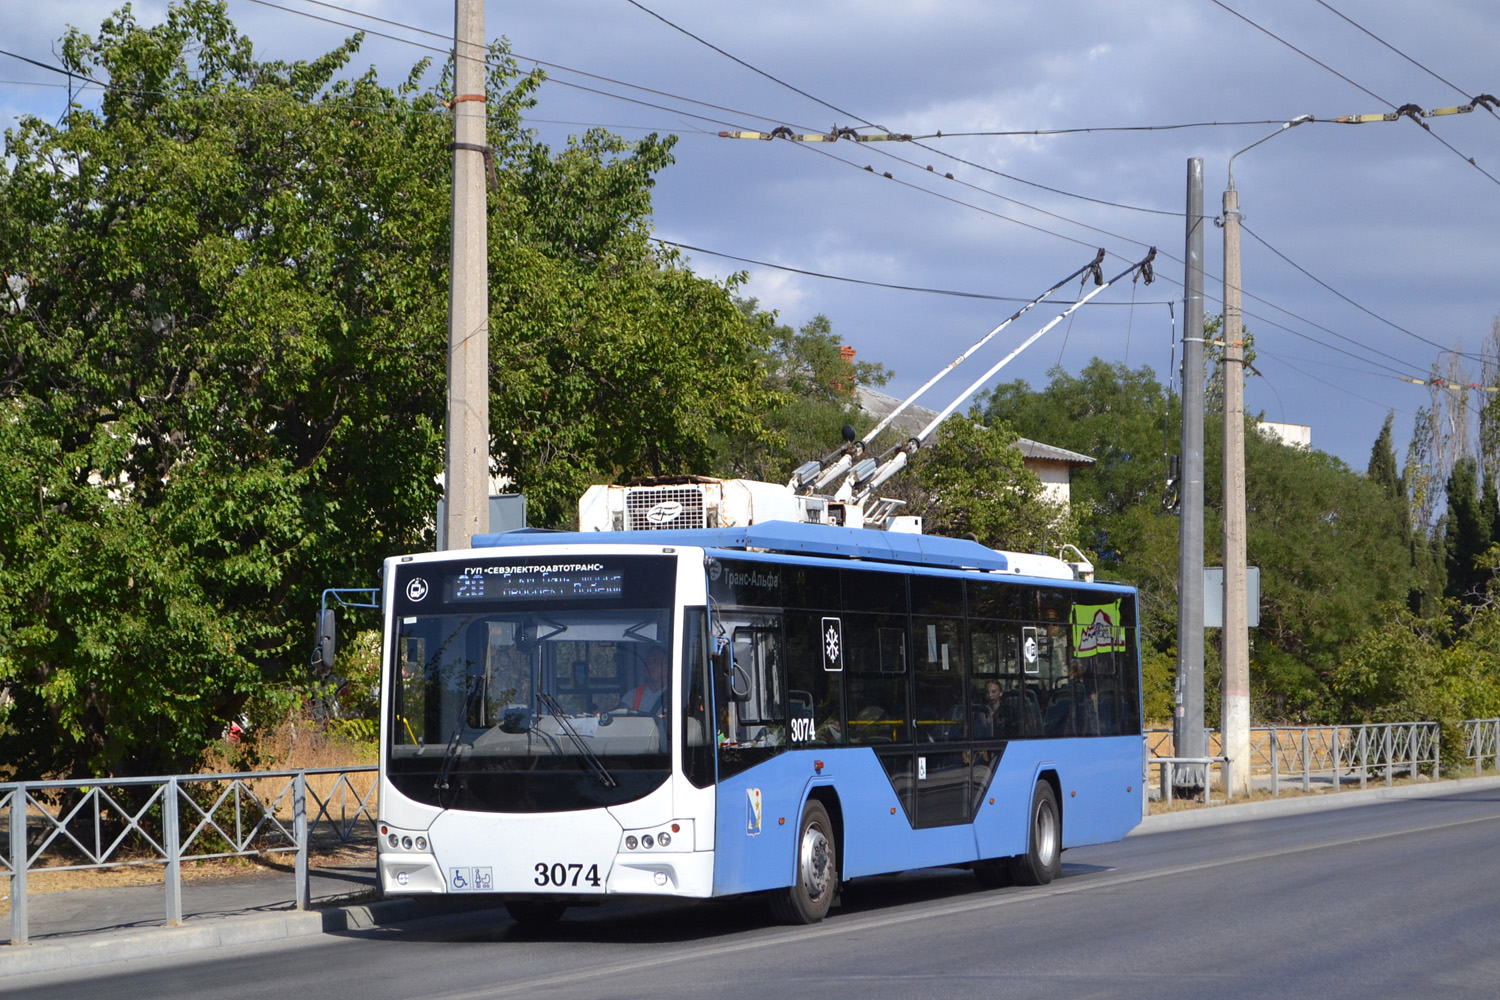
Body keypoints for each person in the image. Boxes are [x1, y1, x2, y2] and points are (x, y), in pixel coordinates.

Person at [616, 646, 669, 715]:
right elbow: (616, 716)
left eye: (655, 662)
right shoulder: (634, 695)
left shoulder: (676, 695)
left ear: (667, 666)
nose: (650, 666)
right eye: (648, 662)